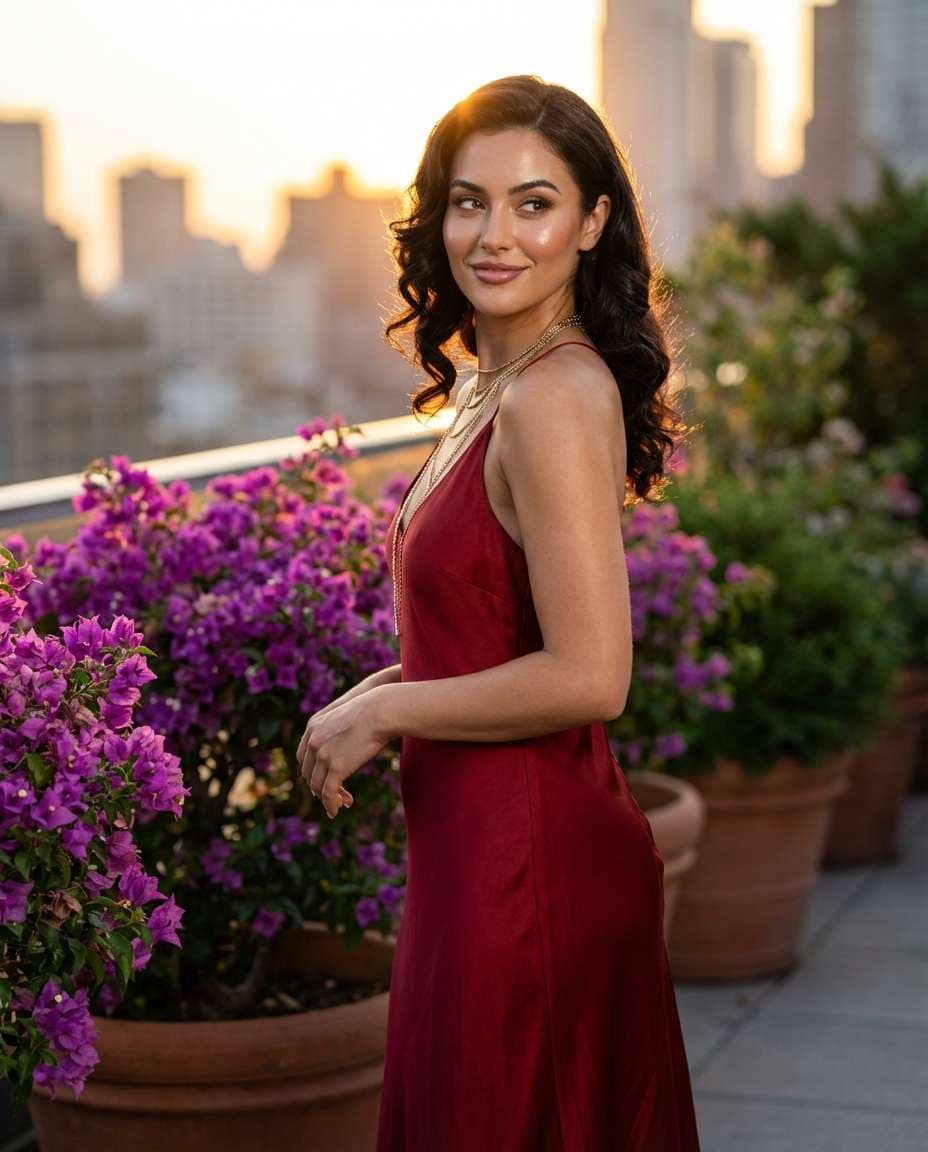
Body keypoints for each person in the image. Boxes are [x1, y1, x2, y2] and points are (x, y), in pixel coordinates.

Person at [297, 73, 701, 1150]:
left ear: (592, 221)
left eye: (535, 202)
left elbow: (587, 675)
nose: (494, 234)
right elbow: (488, 625)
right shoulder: (498, 384)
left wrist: (386, 717)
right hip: (477, 852)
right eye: (469, 201)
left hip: (530, 872)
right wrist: (379, 688)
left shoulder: (552, 399)